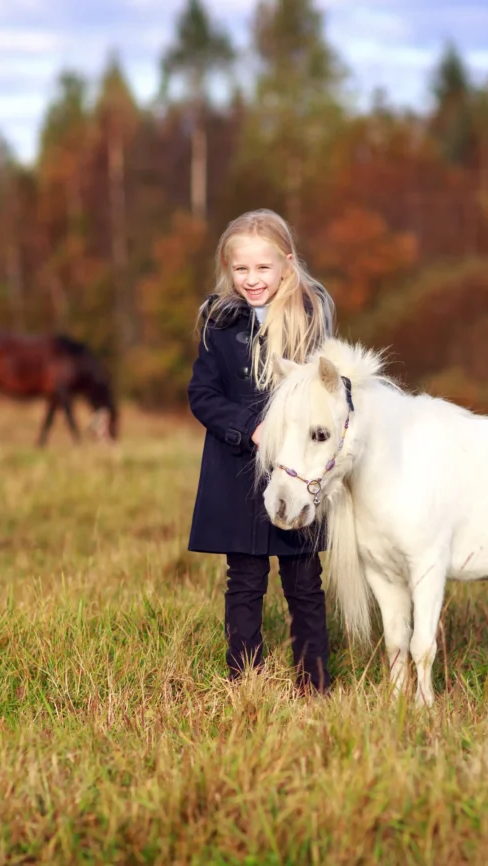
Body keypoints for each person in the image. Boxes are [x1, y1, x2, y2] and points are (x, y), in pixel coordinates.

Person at [186, 209, 337, 695]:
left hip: (297, 473)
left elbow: (325, 391)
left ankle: (312, 684)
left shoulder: (310, 318)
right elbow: (203, 394)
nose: (252, 280)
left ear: (286, 264)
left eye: (263, 268)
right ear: (229, 270)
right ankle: (244, 681)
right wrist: (248, 428)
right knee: (245, 581)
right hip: (237, 473)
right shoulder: (219, 322)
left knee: (304, 582)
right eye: (241, 269)